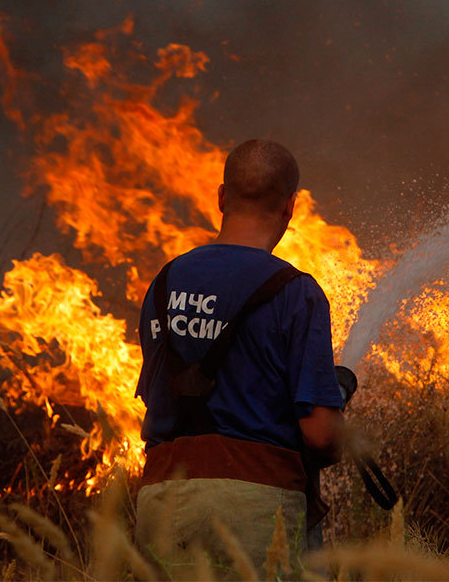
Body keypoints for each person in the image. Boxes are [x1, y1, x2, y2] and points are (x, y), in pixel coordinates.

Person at [134, 139, 345, 577]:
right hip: (255, 509)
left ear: (221, 197)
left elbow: (160, 399)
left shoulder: (163, 284)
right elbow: (321, 434)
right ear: (290, 206)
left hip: (161, 503)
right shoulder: (297, 293)